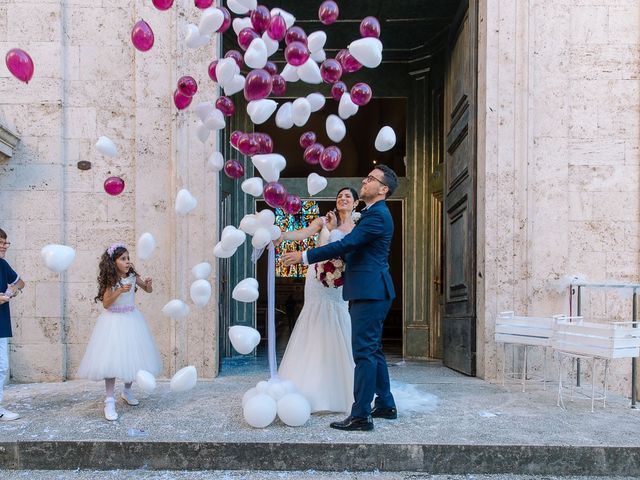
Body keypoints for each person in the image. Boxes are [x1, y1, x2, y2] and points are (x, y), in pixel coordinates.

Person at [282, 165, 398, 431]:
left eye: (370, 179)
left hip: (370, 291)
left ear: (383, 189)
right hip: (369, 290)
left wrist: (304, 257)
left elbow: (347, 245)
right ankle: (385, 404)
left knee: (364, 353)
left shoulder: (377, 216)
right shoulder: (372, 214)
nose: (364, 181)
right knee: (373, 349)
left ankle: (360, 415)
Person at [277, 187, 360, 413]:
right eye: (340, 196)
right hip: (316, 278)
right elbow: (302, 234)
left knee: (338, 319)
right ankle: (307, 383)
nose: (343, 199)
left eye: (348, 197)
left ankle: (340, 385)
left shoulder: (358, 229)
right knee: (314, 319)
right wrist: (281, 235)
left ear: (356, 203)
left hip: (340, 283)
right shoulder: (325, 220)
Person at [77, 243, 162, 421]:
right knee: (112, 361)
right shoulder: (111, 280)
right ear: (113, 262)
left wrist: (148, 284)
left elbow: (148, 290)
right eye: (123, 259)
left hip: (131, 319)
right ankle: (109, 400)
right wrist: (118, 290)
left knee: (132, 357)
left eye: (128, 258)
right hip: (113, 322)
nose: (127, 261)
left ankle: (127, 391)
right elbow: (106, 303)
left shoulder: (132, 275)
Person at [0, 228, 25, 422]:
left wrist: (13, 290)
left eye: (5, 242)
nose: (4, 246)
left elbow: (21, 283)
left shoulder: (3, 265)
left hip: (1, 324)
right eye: (0, 242)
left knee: (1, 367)